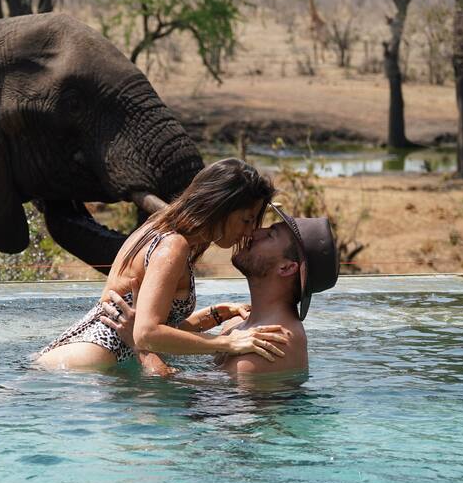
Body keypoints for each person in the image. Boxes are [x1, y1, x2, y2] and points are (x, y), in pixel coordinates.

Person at [35, 158, 291, 373]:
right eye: (246, 220)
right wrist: (228, 343)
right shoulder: (173, 246)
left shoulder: (161, 225)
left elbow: (157, 327)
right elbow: (146, 334)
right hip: (83, 369)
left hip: (75, 360)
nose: (249, 232)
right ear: (219, 207)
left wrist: (215, 313)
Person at [211, 205, 338, 374]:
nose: (253, 233)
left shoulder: (271, 345)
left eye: (270, 235)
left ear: (286, 268)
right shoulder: (235, 323)